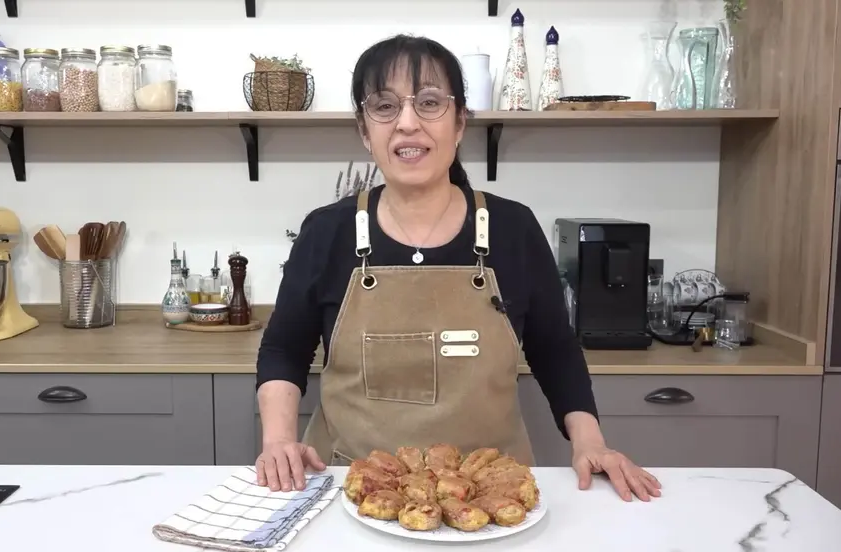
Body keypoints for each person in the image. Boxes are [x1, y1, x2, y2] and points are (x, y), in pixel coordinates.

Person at [254, 35, 662, 503]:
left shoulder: (513, 228)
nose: (407, 123)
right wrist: (278, 441)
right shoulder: (327, 232)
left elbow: (555, 350)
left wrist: (590, 442)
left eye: (429, 103)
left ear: (460, 121)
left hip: (491, 500)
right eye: (385, 106)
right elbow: (284, 348)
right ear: (365, 131)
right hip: (353, 494)